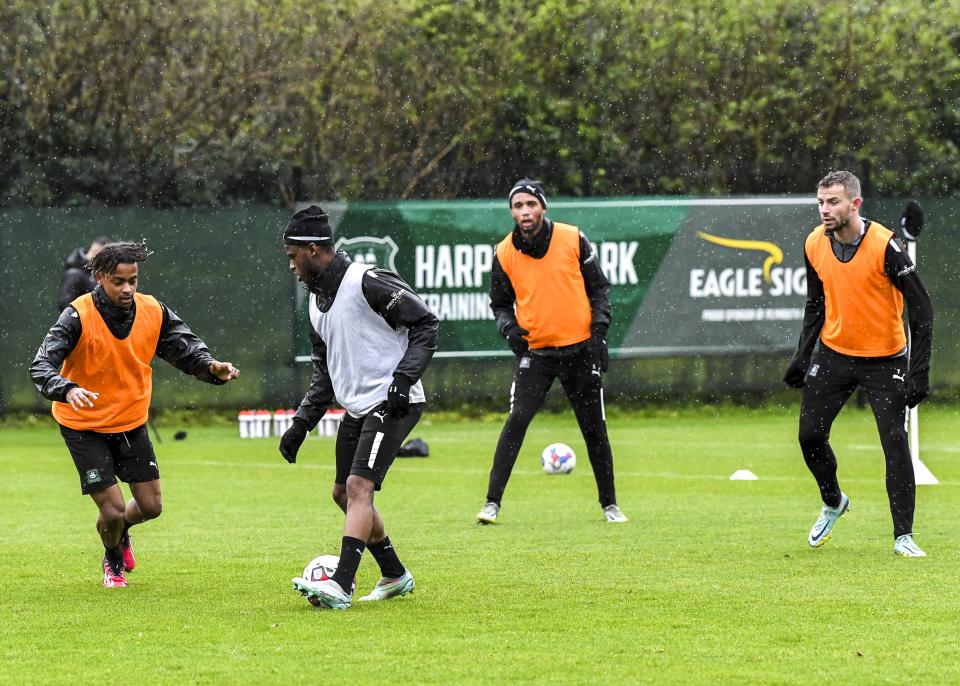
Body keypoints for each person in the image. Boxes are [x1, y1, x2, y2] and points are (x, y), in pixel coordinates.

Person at [30, 241, 240, 587]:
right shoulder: (77, 314)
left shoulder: (152, 310)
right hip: (83, 425)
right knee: (111, 509)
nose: (127, 288)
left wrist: (209, 367)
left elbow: (184, 347)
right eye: (118, 281)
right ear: (99, 278)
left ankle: (121, 532)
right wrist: (66, 388)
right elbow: (41, 365)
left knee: (151, 506)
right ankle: (112, 559)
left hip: (129, 422)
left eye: (133, 280)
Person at [281, 206, 439, 610]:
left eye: (292, 256)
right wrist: (301, 425)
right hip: (357, 408)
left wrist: (403, 380)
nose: (291, 265)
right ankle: (394, 573)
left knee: (358, 488)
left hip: (392, 401)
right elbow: (325, 374)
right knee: (342, 494)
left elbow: (425, 323)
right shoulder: (317, 304)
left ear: (313, 249)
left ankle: (341, 583)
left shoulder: (367, 280)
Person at [783, 171, 933, 557]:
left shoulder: (886, 245)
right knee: (809, 437)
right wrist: (802, 356)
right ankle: (833, 501)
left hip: (886, 360)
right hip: (835, 355)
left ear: (855, 204)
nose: (824, 209)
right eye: (820, 202)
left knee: (895, 443)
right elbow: (815, 304)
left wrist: (919, 371)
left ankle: (903, 536)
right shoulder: (814, 243)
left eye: (833, 202)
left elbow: (922, 310)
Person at [475, 178, 627, 525]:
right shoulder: (503, 252)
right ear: (512, 212)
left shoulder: (572, 238)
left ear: (543, 207)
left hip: (580, 351)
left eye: (531, 204)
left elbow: (599, 290)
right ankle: (491, 504)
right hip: (538, 355)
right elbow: (499, 304)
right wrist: (511, 331)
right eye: (518, 206)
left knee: (594, 429)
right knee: (516, 423)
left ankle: (610, 505)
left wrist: (599, 335)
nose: (525, 211)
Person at [58, 236, 112, 311]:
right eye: (94, 251)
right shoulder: (75, 274)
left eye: (97, 253)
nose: (92, 255)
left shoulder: (98, 274)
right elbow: (65, 304)